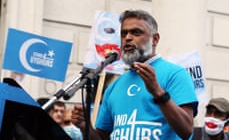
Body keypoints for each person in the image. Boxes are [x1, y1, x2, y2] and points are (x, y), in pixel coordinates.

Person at [71, 9, 198, 140]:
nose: (128, 38)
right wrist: (85, 127)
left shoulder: (176, 74)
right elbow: (102, 137)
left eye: (136, 32)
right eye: (123, 33)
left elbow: (187, 131)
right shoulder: (114, 87)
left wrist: (158, 92)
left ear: (155, 39)